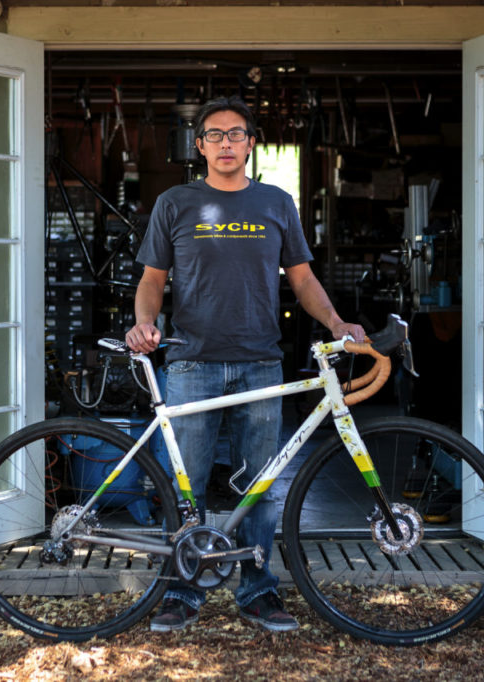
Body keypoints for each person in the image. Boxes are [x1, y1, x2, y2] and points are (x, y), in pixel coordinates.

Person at [126, 95, 365, 633]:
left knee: (259, 487)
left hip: (261, 364)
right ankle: (180, 592)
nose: (226, 143)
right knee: (184, 490)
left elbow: (302, 280)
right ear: (200, 145)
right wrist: (145, 323)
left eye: (236, 134)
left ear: (251, 143)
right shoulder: (175, 202)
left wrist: (336, 324)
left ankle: (257, 591)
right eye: (215, 135)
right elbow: (152, 280)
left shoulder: (277, 203)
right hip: (192, 362)